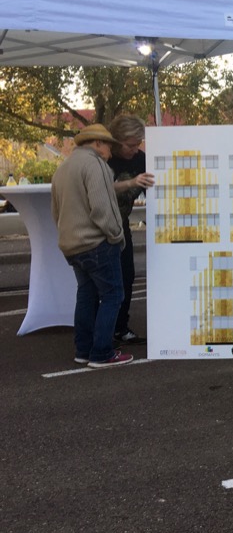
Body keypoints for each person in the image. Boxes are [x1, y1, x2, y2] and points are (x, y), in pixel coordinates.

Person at [51, 124, 133, 368]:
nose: (110, 151)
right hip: (97, 244)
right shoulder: (96, 165)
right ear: (97, 143)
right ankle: (102, 352)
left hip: (72, 245)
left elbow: (55, 211)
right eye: (108, 145)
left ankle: (83, 350)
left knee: (86, 296)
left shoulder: (63, 168)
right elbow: (102, 208)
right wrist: (117, 235)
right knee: (113, 295)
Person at [107, 114, 155, 345]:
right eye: (131, 145)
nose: (136, 150)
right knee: (106, 280)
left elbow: (157, 185)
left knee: (127, 275)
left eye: (139, 144)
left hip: (122, 224)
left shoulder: (141, 159)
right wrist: (131, 182)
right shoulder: (104, 158)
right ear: (116, 141)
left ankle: (121, 328)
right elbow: (99, 187)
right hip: (101, 226)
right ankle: (102, 330)